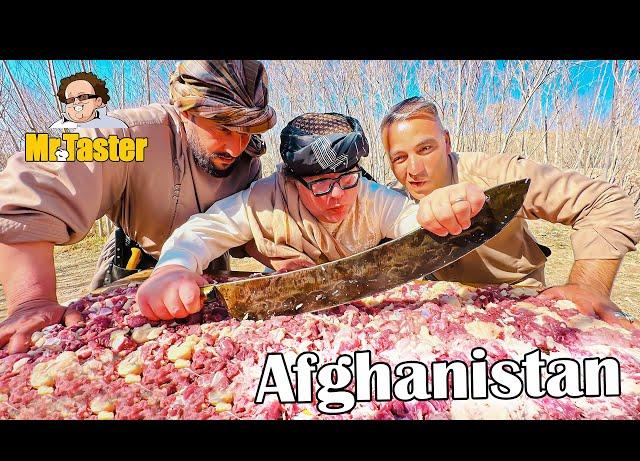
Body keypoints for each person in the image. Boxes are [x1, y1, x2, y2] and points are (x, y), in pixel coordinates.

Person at [0, 60, 277, 353]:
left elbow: (250, 231)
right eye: (222, 126)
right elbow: (27, 195)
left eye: (246, 129)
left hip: (206, 269)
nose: (235, 147)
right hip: (132, 259)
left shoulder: (247, 162)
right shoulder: (127, 134)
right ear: (185, 110)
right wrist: (33, 300)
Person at [381, 96, 640, 329]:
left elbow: (604, 202)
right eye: (400, 158)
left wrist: (588, 285)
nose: (414, 169)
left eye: (425, 149)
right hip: (445, 305)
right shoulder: (391, 200)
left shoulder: (498, 176)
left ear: (446, 142)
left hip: (520, 301)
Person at [135, 113, 419, 321]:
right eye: (320, 183)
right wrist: (173, 267)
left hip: (364, 313)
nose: (337, 195)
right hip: (288, 313)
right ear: (293, 182)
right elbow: (204, 232)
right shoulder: (266, 200)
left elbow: (411, 222)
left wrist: (434, 215)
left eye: (346, 178)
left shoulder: (370, 196)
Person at [50, 71, 129, 129]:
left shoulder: (115, 126)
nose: (76, 102)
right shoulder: (56, 127)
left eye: (83, 97)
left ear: (98, 101)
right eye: (71, 100)